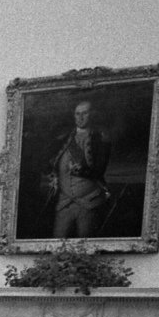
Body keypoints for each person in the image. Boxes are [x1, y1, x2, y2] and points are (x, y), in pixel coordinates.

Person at [46, 99, 111, 239]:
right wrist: (53, 177)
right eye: (77, 114)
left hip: (89, 202)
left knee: (86, 244)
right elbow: (51, 164)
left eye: (85, 113)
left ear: (92, 115)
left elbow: (99, 170)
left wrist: (81, 170)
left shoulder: (101, 139)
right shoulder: (63, 139)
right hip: (64, 203)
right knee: (57, 242)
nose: (80, 117)